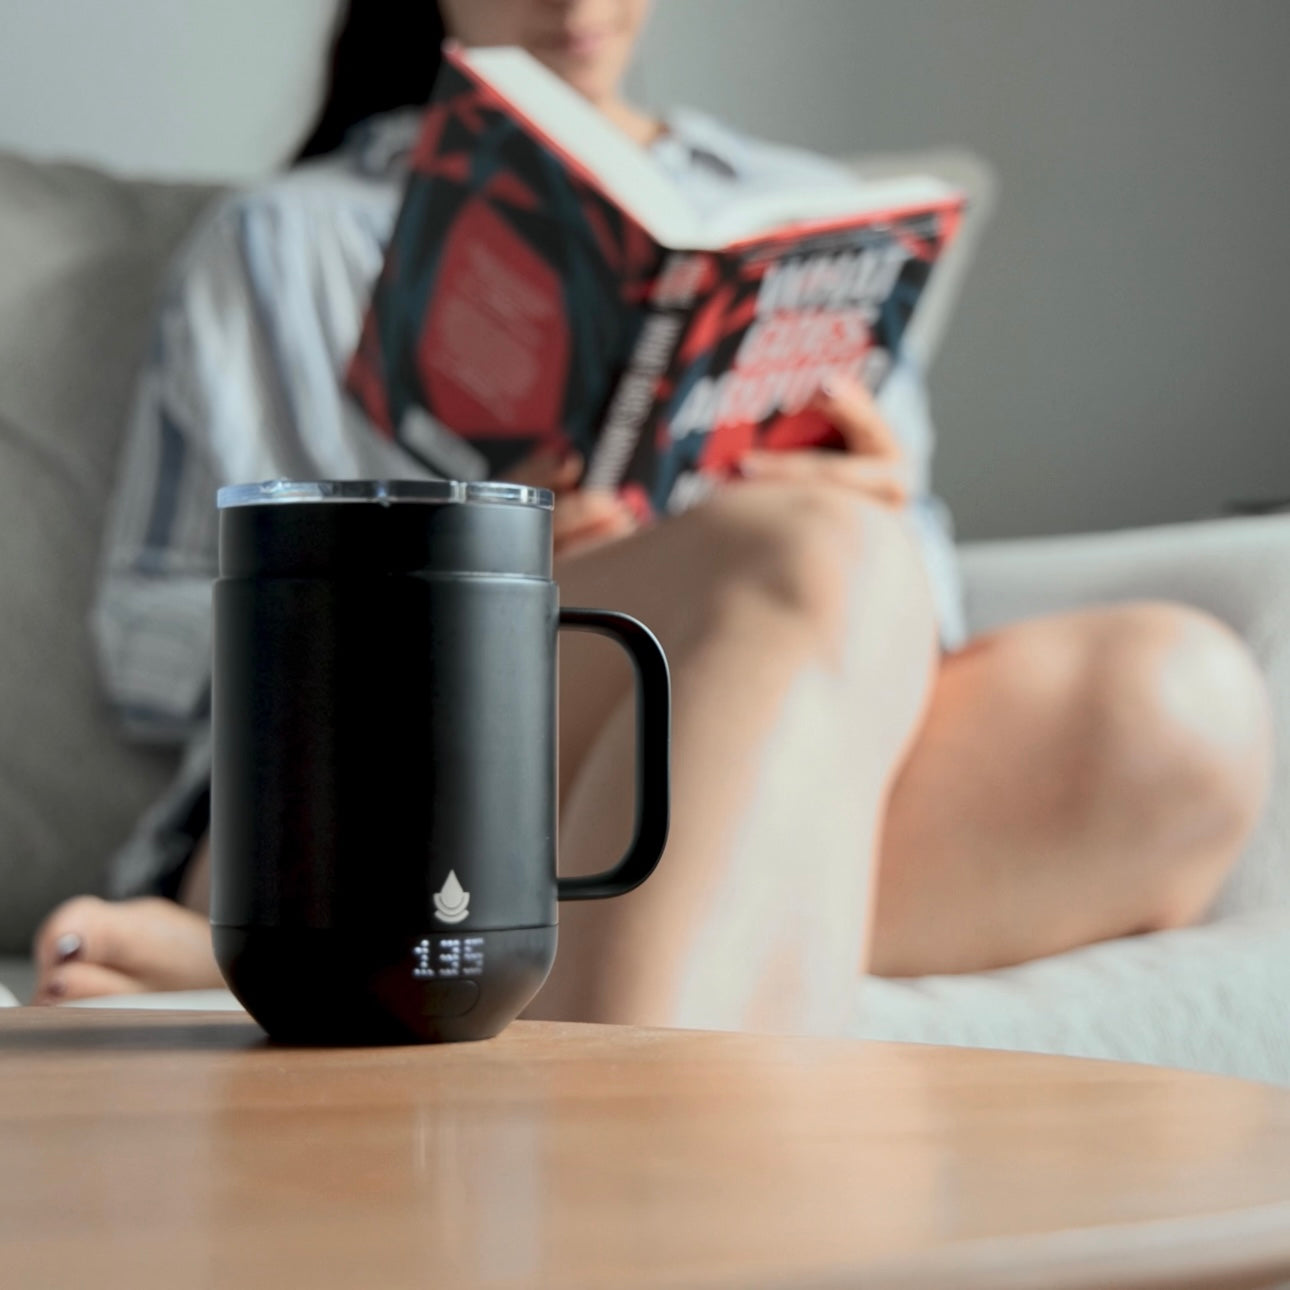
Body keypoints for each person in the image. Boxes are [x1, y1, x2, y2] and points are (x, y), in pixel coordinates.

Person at [32, 0, 1272, 1031]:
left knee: (1181, 706)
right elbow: (158, 650)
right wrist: (495, 569)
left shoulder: (804, 219)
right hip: (388, 791)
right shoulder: (292, 240)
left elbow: (902, 648)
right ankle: (634, 1155)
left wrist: (882, 503)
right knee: (817, 554)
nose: (576, 3)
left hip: (768, 707)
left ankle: (398, 967)